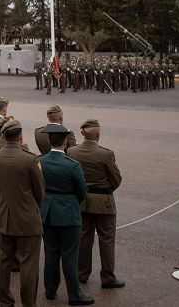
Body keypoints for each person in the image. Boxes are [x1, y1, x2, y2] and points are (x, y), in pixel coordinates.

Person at [0, 119, 45, 307]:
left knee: (3, 262)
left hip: (3, 215)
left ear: (4, 137)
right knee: (28, 264)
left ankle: (3, 300)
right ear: (20, 137)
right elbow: (40, 192)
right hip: (27, 218)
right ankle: (28, 302)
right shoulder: (30, 159)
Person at [37, 123, 92, 305]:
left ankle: (50, 290)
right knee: (69, 255)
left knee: (51, 253)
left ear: (49, 141)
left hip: (47, 212)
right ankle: (74, 294)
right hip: (68, 214)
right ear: (66, 142)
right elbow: (82, 192)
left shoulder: (40, 161)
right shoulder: (72, 165)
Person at [67, 119, 124, 291]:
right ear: (98, 135)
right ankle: (107, 277)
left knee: (84, 239)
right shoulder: (105, 154)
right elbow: (116, 179)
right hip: (103, 202)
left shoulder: (72, 151)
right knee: (107, 240)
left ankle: (82, 273)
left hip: (82, 201)